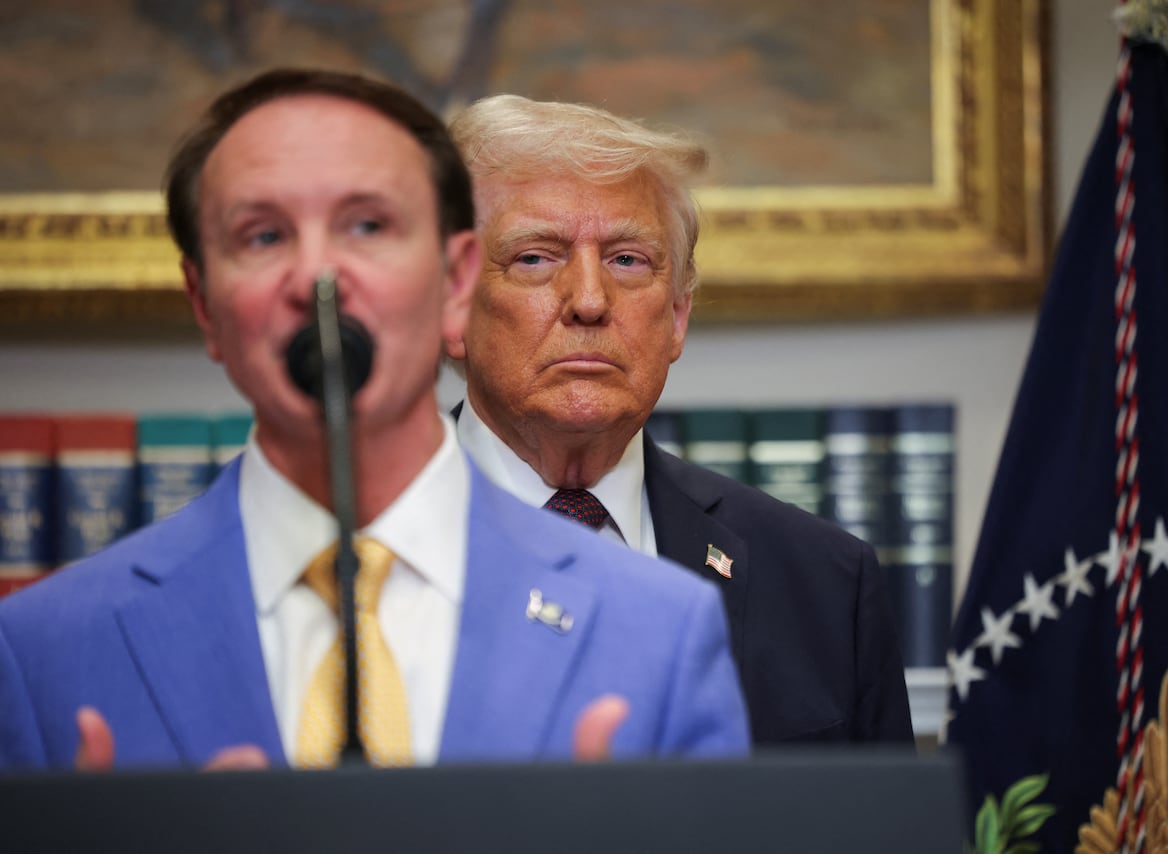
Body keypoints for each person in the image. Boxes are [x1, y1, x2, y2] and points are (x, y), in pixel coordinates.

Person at [0, 70, 749, 771]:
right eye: (263, 236)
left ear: (454, 281)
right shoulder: (45, 652)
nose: (318, 279)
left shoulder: (659, 628)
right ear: (204, 303)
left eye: (367, 227)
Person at [447, 95, 914, 745]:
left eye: (628, 260)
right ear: (451, 304)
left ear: (677, 317)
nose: (588, 300)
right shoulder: (354, 550)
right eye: (535, 257)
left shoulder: (826, 580)